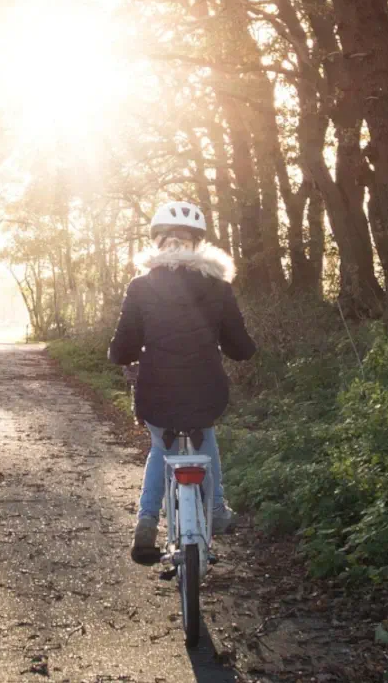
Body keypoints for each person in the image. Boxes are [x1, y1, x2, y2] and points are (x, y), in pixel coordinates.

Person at [108, 200, 257, 564]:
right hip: (206, 389)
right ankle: (217, 508)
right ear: (198, 244)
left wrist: (123, 356)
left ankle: (146, 521)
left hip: (155, 390)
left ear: (158, 242)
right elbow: (240, 347)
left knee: (161, 445)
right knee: (205, 434)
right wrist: (240, 346)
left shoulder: (141, 286)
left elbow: (122, 346)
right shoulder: (218, 286)